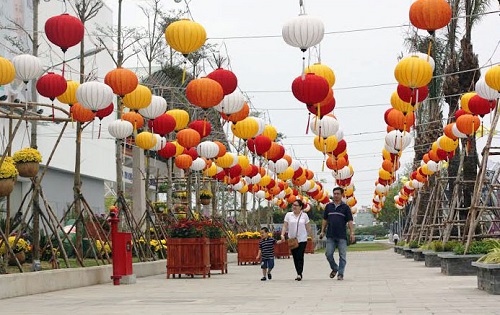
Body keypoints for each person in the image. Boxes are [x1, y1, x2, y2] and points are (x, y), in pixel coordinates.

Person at [320, 187, 355, 281]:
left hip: (342, 235)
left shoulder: (346, 207)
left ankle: (340, 273)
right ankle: (335, 268)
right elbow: (325, 219)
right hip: (330, 235)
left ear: (342, 195)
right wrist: (322, 231)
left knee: (342, 256)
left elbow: (350, 221)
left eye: (338, 194)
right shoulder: (328, 206)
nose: (335, 195)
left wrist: (352, 233)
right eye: (334, 193)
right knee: (328, 254)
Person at [279, 199, 311, 281]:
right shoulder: (288, 215)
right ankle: (298, 272)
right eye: (293, 205)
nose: (294, 207)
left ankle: (299, 273)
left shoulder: (304, 216)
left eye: (296, 205)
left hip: (302, 239)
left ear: (300, 207)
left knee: (300, 256)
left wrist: (310, 236)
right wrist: (282, 235)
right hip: (292, 239)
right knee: (295, 256)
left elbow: (308, 227)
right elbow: (285, 226)